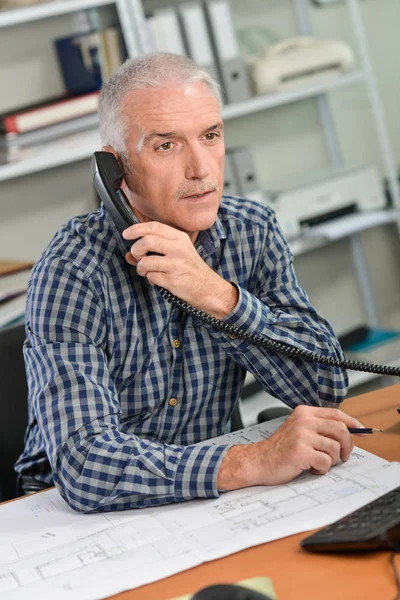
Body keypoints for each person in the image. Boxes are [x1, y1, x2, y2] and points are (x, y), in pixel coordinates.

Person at [15, 52, 361, 513]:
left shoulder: (251, 231)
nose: (201, 169)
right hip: (61, 517)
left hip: (206, 500)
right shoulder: (72, 271)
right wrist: (251, 460)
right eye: (166, 145)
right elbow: (84, 467)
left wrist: (217, 295)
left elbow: (324, 388)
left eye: (210, 136)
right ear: (114, 170)